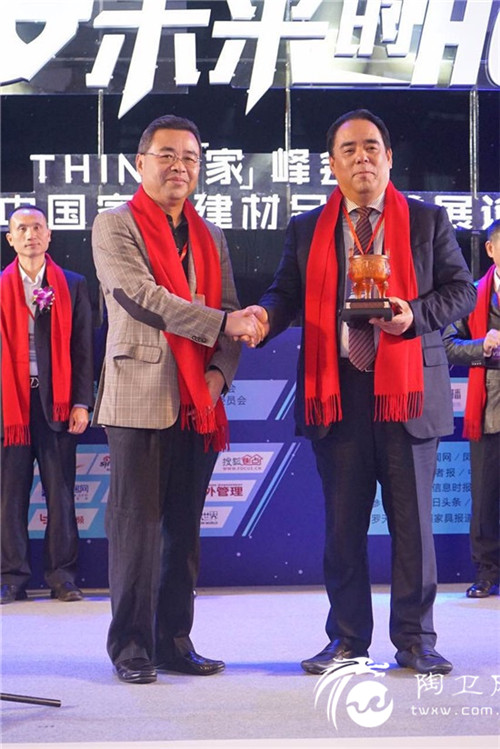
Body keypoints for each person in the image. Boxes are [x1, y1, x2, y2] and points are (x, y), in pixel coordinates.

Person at [243, 109, 477, 675]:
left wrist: (412, 315)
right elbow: (285, 294)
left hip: (408, 391)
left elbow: (462, 291)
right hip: (338, 392)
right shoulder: (308, 229)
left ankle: (416, 640)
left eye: (371, 146)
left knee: (413, 528)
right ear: (332, 164)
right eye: (348, 149)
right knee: (343, 529)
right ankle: (347, 640)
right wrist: (263, 317)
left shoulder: (426, 220)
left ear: (389, 157)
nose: (362, 157)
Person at [91, 114, 262, 685]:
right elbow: (142, 298)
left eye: (189, 157)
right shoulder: (114, 225)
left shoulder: (210, 235)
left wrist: (217, 376)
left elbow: (231, 310)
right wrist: (224, 323)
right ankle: (131, 647)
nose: (179, 166)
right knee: (136, 530)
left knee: (183, 532)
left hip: (199, 401)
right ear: (140, 163)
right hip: (139, 396)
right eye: (166, 155)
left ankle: (173, 642)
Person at [1, 205, 94, 604]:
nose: (30, 235)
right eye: (21, 229)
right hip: (11, 407)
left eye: (37, 227)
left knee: (61, 493)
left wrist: (82, 402)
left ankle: (62, 577)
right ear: (10, 239)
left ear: (49, 235)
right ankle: (11, 577)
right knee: (9, 496)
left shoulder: (71, 284)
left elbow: (83, 349)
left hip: (56, 405)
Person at [443, 219, 500, 599]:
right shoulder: (472, 296)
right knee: (484, 500)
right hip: (489, 408)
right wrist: (482, 345)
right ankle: (487, 573)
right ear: (491, 249)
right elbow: (447, 345)